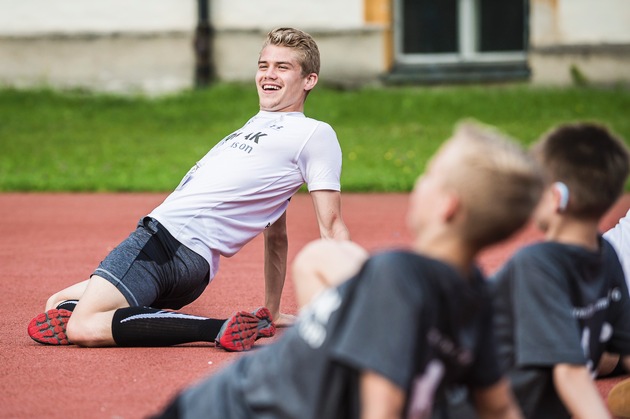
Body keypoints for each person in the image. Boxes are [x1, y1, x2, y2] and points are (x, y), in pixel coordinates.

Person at [152, 120, 543, 419]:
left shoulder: (401, 278)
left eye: (429, 176)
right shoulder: (469, 294)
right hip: (221, 406)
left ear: (447, 206)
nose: (419, 183)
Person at [27, 27, 350, 352]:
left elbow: (332, 227)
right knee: (58, 304)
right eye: (263, 65)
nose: (268, 74)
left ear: (309, 80)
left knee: (83, 325)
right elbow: (275, 233)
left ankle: (217, 329)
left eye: (283, 67)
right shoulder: (257, 124)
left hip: (164, 241)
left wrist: (349, 311)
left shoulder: (314, 134)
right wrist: (274, 310)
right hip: (192, 270)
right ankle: (138, 317)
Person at [490, 122, 630, 419]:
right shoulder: (535, 266)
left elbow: (621, 348)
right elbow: (570, 374)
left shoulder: (605, 258)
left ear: (556, 198)